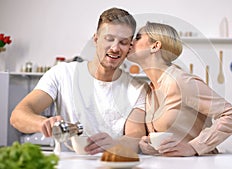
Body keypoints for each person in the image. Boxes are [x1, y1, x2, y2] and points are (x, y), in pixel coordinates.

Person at [10, 7, 148, 154]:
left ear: (130, 47)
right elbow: (18, 115)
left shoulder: (137, 89)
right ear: (96, 39)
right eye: (109, 39)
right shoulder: (62, 73)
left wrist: (114, 144)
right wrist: (43, 123)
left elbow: (135, 137)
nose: (115, 48)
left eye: (123, 42)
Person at [127, 22, 232, 156]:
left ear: (155, 46)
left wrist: (194, 147)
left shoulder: (181, 81)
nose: (130, 42)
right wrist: (148, 145)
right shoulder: (149, 90)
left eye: (138, 37)